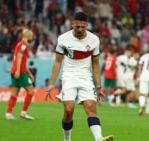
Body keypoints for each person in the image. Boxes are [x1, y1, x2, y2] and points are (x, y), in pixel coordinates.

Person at [45, 12, 114, 141]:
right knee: (69, 109)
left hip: (86, 78)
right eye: (77, 27)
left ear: (87, 25)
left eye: (83, 27)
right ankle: (67, 138)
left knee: (91, 108)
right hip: (69, 76)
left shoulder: (94, 40)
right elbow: (58, 62)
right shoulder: (63, 39)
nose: (80, 29)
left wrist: (98, 86)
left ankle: (99, 138)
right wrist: (51, 83)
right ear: (73, 24)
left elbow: (95, 63)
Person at [5, 29, 35, 120]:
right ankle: (24, 113)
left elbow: (22, 61)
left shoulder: (19, 44)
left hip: (14, 71)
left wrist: (29, 73)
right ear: (28, 36)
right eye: (31, 35)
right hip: (20, 72)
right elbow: (19, 57)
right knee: (31, 91)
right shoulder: (23, 45)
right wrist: (18, 70)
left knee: (14, 93)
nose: (32, 37)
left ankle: (8, 114)